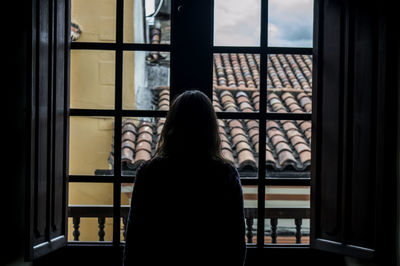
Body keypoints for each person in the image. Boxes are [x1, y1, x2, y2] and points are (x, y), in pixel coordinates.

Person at [123, 90, 246, 266]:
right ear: (211, 128)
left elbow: (136, 236)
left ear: (171, 125)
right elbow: (235, 241)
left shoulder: (150, 172)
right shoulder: (225, 174)